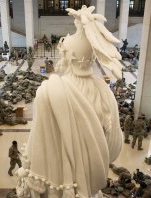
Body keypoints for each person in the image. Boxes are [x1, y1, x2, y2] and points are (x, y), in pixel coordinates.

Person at [16, 5, 123, 198]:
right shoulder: (106, 94)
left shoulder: (48, 92)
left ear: (65, 56)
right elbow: (114, 149)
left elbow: (36, 150)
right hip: (91, 188)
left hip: (61, 189)